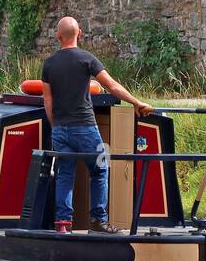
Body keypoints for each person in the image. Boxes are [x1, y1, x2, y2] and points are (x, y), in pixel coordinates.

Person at [42, 17, 153, 234]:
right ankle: (98, 220)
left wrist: (56, 126)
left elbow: (48, 101)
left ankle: (63, 224)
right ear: (80, 33)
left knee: (65, 173)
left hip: (60, 129)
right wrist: (137, 103)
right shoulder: (87, 59)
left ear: (58, 36)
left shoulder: (49, 63)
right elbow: (112, 86)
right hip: (85, 127)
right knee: (100, 169)